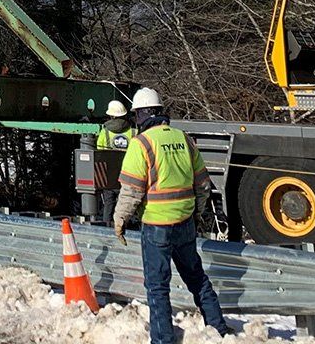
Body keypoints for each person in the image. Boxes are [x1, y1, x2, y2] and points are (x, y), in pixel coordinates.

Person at [113, 86, 230, 344]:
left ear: (142, 114)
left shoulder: (141, 144)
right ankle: (219, 331)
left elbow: (131, 191)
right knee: (197, 278)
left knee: (157, 288)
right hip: (185, 224)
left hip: (157, 227)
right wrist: (197, 214)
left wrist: (119, 220)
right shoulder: (184, 139)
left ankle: (163, 340)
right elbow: (202, 185)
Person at [89, 99, 132, 226]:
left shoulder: (105, 132)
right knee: (125, 204)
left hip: (109, 176)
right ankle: (125, 228)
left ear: (111, 115)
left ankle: (107, 227)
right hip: (128, 175)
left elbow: (100, 154)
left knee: (109, 203)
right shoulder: (134, 131)